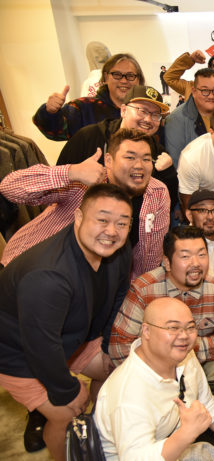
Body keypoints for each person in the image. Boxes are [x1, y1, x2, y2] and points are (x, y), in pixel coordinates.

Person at [0, 184, 133, 461]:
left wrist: (108, 345)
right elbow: (40, 346)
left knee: (115, 368)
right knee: (68, 411)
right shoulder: (48, 275)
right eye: (102, 220)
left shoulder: (118, 250)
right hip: (17, 353)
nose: (112, 231)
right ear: (78, 217)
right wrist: (68, 390)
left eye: (122, 223)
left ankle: (97, 435)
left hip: (71, 336)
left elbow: (119, 295)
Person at [0, 128, 170, 279]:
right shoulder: (83, 181)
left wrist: (138, 291)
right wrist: (71, 172)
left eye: (146, 159)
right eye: (130, 157)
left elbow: (150, 255)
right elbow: (9, 188)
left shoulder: (157, 193)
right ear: (109, 161)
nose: (139, 165)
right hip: (29, 270)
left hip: (90, 283)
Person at [109, 225, 214, 401]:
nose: (196, 263)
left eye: (201, 255)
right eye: (185, 256)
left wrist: (191, 347)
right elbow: (119, 346)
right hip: (153, 370)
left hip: (201, 363)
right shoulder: (144, 288)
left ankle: (213, 408)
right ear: (167, 263)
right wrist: (159, 361)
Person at [96, 298, 214, 460]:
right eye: (173, 328)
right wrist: (186, 434)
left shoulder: (182, 353)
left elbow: (203, 395)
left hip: (173, 436)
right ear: (146, 331)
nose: (184, 335)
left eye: (190, 327)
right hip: (145, 454)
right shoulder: (128, 394)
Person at [54, 85, 179, 212]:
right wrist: (75, 173)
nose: (148, 119)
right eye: (142, 111)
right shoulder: (89, 137)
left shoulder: (158, 153)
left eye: (155, 115)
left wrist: (168, 175)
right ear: (123, 110)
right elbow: (54, 187)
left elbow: (165, 206)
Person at [33, 53, 144, 141]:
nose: (124, 81)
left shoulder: (147, 112)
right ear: (106, 77)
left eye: (130, 76)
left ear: (138, 80)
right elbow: (54, 131)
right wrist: (50, 113)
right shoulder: (83, 108)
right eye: (117, 75)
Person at [164, 68, 214, 167]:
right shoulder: (176, 120)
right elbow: (176, 163)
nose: (211, 96)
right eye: (205, 90)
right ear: (194, 91)